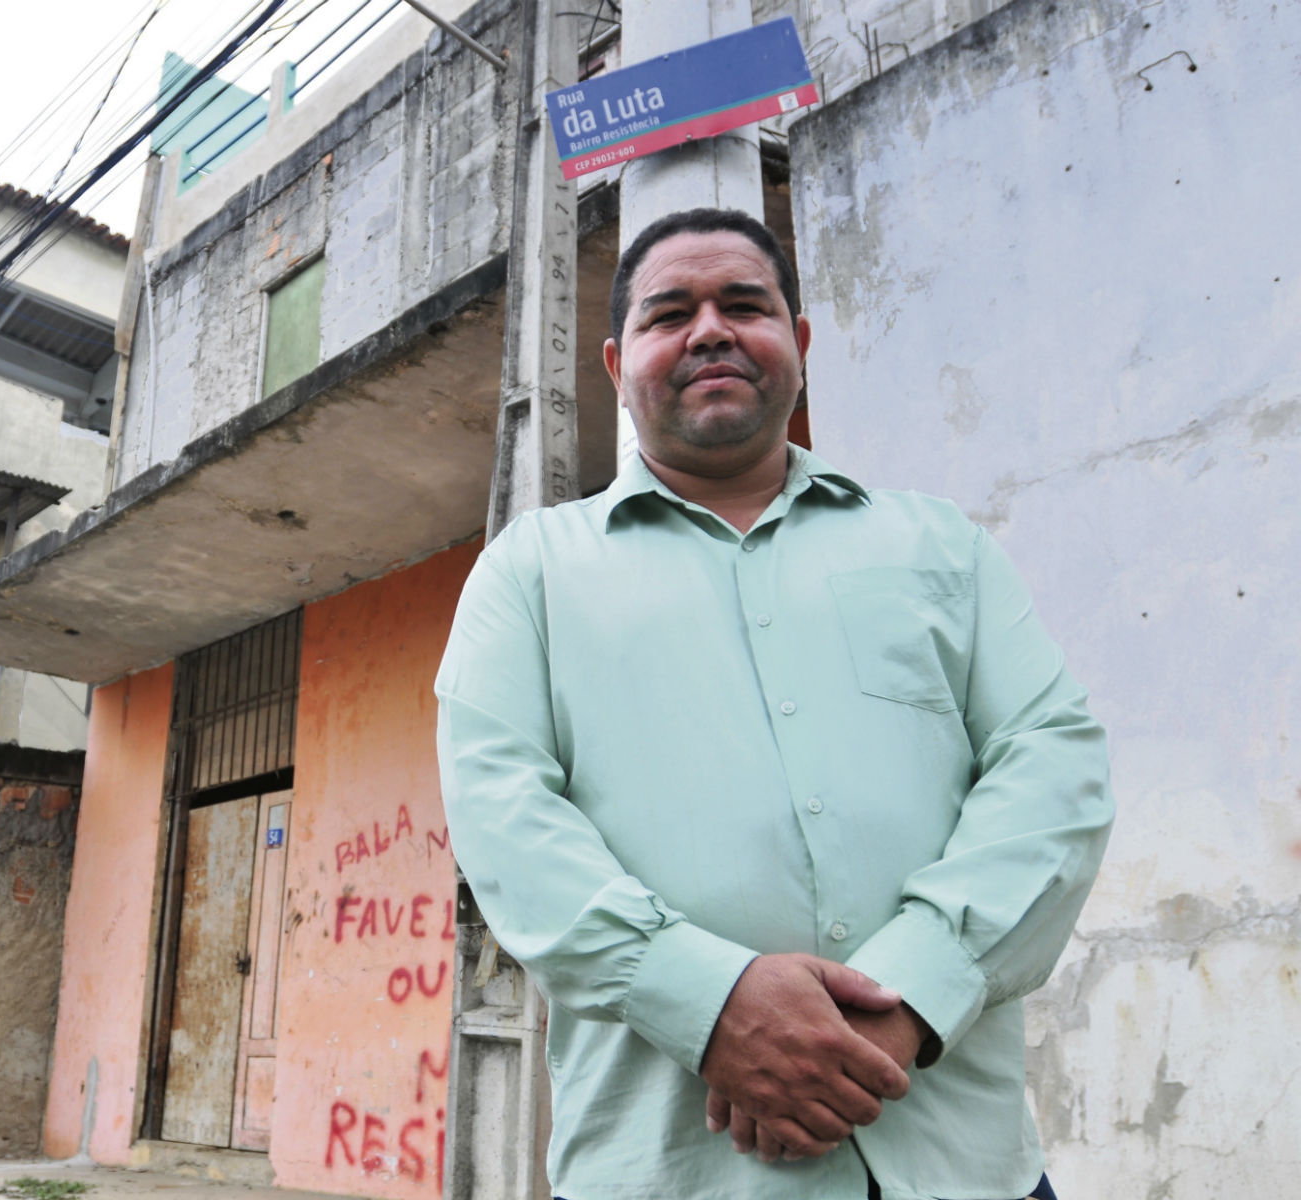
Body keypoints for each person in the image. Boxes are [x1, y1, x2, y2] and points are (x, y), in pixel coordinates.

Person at [434, 207, 1112, 1200]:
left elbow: (1053, 766)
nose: (710, 329)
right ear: (621, 364)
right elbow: (505, 823)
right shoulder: (529, 574)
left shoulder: (940, 549)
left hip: (961, 1164)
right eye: (672, 314)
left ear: (796, 345)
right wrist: (710, 1005)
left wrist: (907, 1000)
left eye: (744, 304)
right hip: (675, 1174)